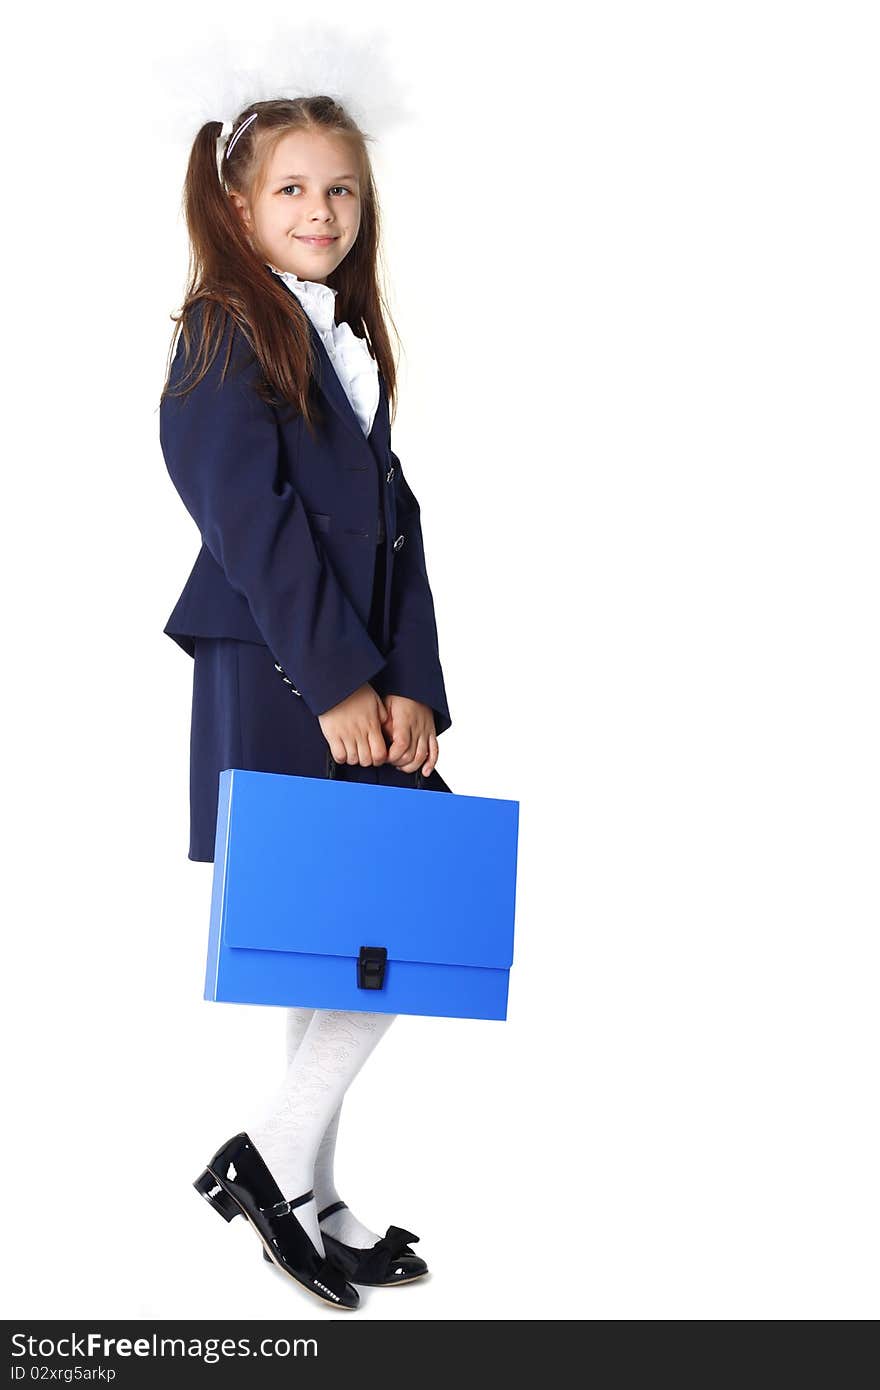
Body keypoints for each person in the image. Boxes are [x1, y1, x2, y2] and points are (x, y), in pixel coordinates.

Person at [158, 94, 453, 1310]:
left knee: (352, 937)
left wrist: (415, 691)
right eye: (291, 189)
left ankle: (307, 1193)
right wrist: (336, 681)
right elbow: (247, 519)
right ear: (237, 205)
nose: (320, 210)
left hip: (353, 672)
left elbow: (396, 528)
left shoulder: (339, 333)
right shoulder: (227, 329)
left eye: (339, 189)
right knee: (390, 924)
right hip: (283, 665)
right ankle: (272, 1161)